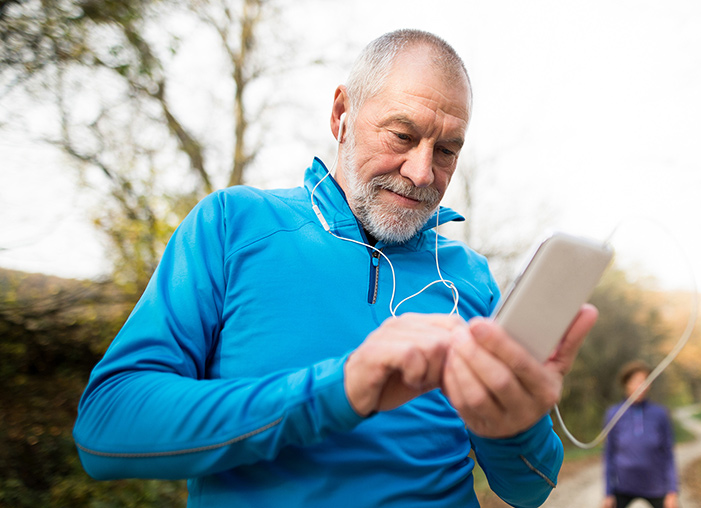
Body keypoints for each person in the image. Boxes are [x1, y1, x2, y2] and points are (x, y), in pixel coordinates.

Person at [72, 29, 598, 507]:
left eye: (446, 150)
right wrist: (338, 389)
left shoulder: (473, 279)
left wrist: (513, 427)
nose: (421, 171)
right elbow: (106, 428)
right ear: (341, 114)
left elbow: (527, 487)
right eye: (401, 135)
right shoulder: (232, 224)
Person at [602, 361, 679, 508]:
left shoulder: (660, 414)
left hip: (656, 486)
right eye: (637, 382)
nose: (642, 387)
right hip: (623, 486)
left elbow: (668, 454)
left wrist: (672, 491)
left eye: (645, 382)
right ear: (626, 383)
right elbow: (609, 455)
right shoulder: (614, 414)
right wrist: (608, 493)